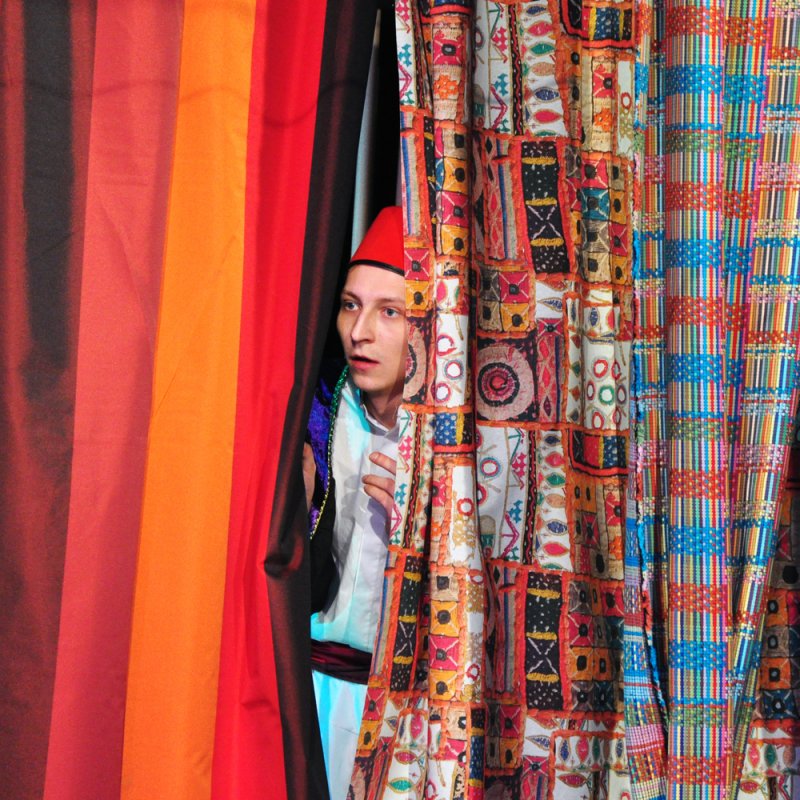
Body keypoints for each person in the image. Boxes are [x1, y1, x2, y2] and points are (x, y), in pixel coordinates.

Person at [303, 207, 406, 799]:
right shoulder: (311, 411)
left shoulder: (459, 448)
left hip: (404, 708)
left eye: (389, 311)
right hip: (306, 687)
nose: (359, 331)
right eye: (350, 305)